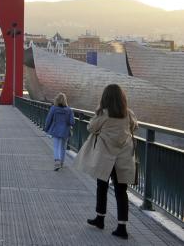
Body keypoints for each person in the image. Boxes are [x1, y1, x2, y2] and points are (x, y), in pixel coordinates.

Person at [75, 84, 137, 240]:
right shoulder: (128, 114)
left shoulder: (104, 113)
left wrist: (98, 111)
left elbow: (90, 127)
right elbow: (135, 126)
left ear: (105, 98)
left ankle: (100, 218)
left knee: (101, 186)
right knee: (121, 191)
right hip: (122, 157)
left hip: (105, 157)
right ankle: (122, 227)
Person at [44, 92, 75, 171]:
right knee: (63, 147)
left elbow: (48, 120)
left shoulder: (53, 108)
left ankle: (57, 161)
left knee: (56, 146)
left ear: (56, 100)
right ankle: (61, 163)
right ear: (65, 100)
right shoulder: (69, 110)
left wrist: (46, 129)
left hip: (56, 130)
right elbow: (72, 122)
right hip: (65, 131)